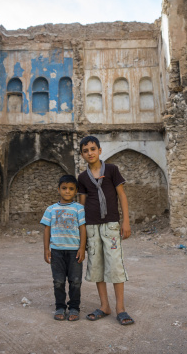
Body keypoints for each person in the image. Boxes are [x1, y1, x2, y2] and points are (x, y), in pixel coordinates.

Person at [77, 135, 135, 325]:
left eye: (93, 149)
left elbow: (122, 196)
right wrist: (82, 233)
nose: (90, 153)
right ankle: (104, 306)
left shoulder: (111, 170)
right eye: (86, 151)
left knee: (115, 265)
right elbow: (82, 206)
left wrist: (125, 222)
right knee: (96, 266)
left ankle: (120, 308)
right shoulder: (83, 177)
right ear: (82, 154)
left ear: (100, 150)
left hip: (111, 225)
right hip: (91, 227)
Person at [41, 174, 87, 321]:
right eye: (64, 188)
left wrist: (82, 248)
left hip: (74, 250)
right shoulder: (51, 209)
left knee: (75, 281)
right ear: (59, 189)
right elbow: (47, 229)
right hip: (56, 251)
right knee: (58, 281)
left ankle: (74, 308)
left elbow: (83, 229)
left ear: (76, 191)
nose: (67, 191)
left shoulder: (79, 209)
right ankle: (60, 307)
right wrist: (46, 249)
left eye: (71, 189)